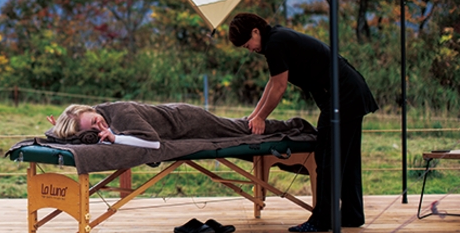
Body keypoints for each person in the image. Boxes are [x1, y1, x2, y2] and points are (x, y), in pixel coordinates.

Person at [228, 12, 378, 233]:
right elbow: (272, 83)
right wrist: (255, 115)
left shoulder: (275, 43)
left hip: (343, 96)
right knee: (346, 158)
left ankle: (322, 220)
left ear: (256, 31)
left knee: (327, 156)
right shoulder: (276, 38)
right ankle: (352, 215)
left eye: (247, 43)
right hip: (350, 92)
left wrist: (261, 118)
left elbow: (280, 87)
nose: (249, 49)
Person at [47, 100, 314, 149]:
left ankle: (294, 126)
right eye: (92, 129)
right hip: (178, 114)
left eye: (95, 121)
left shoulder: (121, 114)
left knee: (243, 129)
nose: (98, 127)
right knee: (239, 125)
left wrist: (116, 139)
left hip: (190, 121)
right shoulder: (96, 117)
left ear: (93, 110)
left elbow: (152, 142)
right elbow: (72, 132)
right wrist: (56, 130)